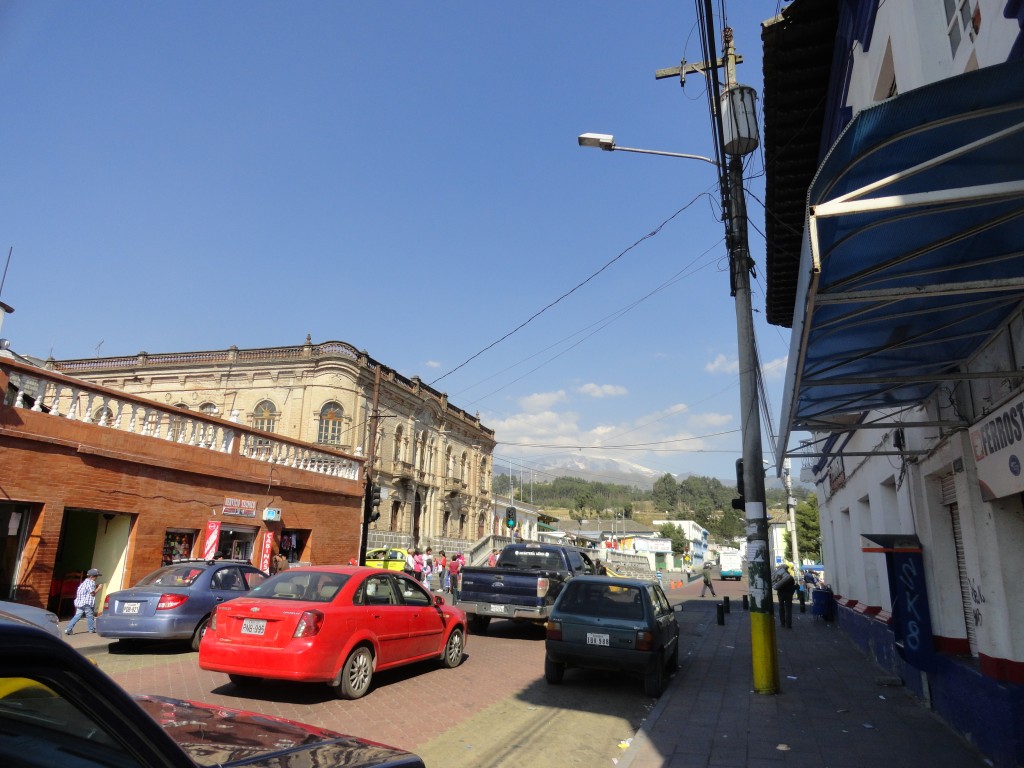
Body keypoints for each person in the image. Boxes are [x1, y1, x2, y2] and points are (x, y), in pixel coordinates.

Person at [65, 568, 102, 635]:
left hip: (80, 602)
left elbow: (88, 590)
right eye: (96, 576)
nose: (96, 578)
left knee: (77, 616)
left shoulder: (85, 582)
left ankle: (68, 629)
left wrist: (96, 586)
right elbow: (92, 593)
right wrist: (99, 588)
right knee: (90, 616)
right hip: (86, 603)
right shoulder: (90, 583)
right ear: (91, 576)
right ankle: (91, 629)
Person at [773, 563, 798, 629]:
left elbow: (776, 586)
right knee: (788, 609)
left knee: (781, 608)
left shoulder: (778, 577)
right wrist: (796, 587)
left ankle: (782, 623)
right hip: (788, 595)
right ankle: (788, 624)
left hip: (781, 594)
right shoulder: (789, 577)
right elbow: (792, 586)